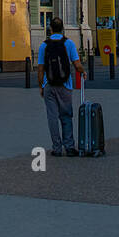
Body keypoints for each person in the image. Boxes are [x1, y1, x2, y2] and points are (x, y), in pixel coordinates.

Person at [36, 16, 85, 157]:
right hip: (65, 85)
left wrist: (41, 86)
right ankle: (69, 147)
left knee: (52, 117)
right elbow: (77, 64)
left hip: (49, 85)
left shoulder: (44, 45)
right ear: (63, 29)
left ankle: (56, 148)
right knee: (66, 115)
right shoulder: (68, 43)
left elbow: (40, 69)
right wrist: (83, 72)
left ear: (50, 29)